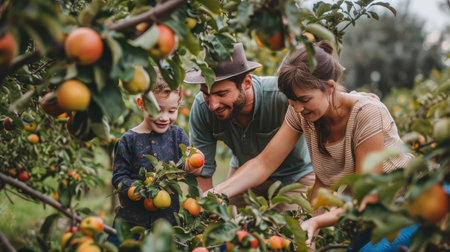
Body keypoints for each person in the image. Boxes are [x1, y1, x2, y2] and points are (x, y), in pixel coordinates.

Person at [208, 41, 415, 250]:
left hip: (407, 207)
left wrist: (317, 221)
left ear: (330, 87)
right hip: (371, 217)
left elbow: (368, 198)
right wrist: (215, 194)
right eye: (291, 101)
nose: (297, 108)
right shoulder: (305, 113)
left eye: (304, 99)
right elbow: (264, 163)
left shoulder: (366, 114)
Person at [184, 43, 315, 210]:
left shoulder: (282, 98)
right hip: (244, 175)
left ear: (246, 82)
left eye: (221, 94)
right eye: (206, 94)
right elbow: (201, 170)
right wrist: (204, 210)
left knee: (287, 231)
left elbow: (263, 164)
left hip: (296, 176)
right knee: (225, 225)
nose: (212, 105)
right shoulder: (202, 109)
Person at [111, 67, 203, 236]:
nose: (164, 117)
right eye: (158, 109)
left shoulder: (177, 135)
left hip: (167, 225)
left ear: (178, 106)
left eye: (171, 111)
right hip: (131, 224)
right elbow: (119, 178)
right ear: (141, 104)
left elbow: (186, 166)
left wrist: (195, 164)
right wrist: (138, 189)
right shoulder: (127, 140)